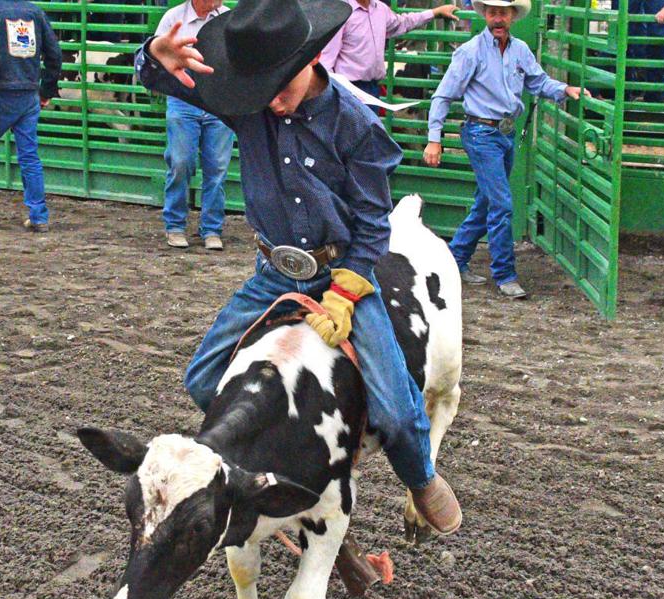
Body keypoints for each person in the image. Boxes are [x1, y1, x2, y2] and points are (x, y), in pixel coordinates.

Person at [136, 0, 463, 533]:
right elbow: (163, 77)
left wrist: (346, 292)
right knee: (202, 379)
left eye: (279, 87)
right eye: (261, 90)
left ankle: (422, 478)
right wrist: (156, 53)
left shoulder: (356, 125)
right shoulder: (248, 101)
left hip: (342, 272)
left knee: (397, 411)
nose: (272, 101)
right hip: (273, 271)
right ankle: (279, 460)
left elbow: (372, 221)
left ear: (310, 60)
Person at [423, 0, 591, 299]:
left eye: (503, 12)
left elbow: (538, 81)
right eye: (492, 13)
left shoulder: (520, 50)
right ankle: (504, 275)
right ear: (485, 16)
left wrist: (565, 90)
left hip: (505, 132)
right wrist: (434, 138)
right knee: (501, 204)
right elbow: (443, 95)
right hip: (480, 132)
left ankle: (454, 260)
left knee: (487, 202)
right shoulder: (471, 51)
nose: (497, 18)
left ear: (512, 16)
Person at [0, 0, 61, 232]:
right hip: (29, 93)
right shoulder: (35, 12)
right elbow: (54, 54)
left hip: (0, 92)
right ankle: (38, 216)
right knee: (29, 155)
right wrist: (46, 90)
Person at [155, 0, 233, 250]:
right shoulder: (173, 18)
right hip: (183, 98)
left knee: (217, 167)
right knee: (181, 163)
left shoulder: (228, 18)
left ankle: (211, 228)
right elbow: (157, 58)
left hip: (218, 100)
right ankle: (175, 225)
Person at [319, 0, 460, 102]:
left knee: (369, 131)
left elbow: (402, 23)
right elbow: (326, 60)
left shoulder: (380, 9)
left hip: (372, 87)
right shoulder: (341, 12)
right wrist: (331, 94)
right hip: (348, 88)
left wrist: (434, 12)